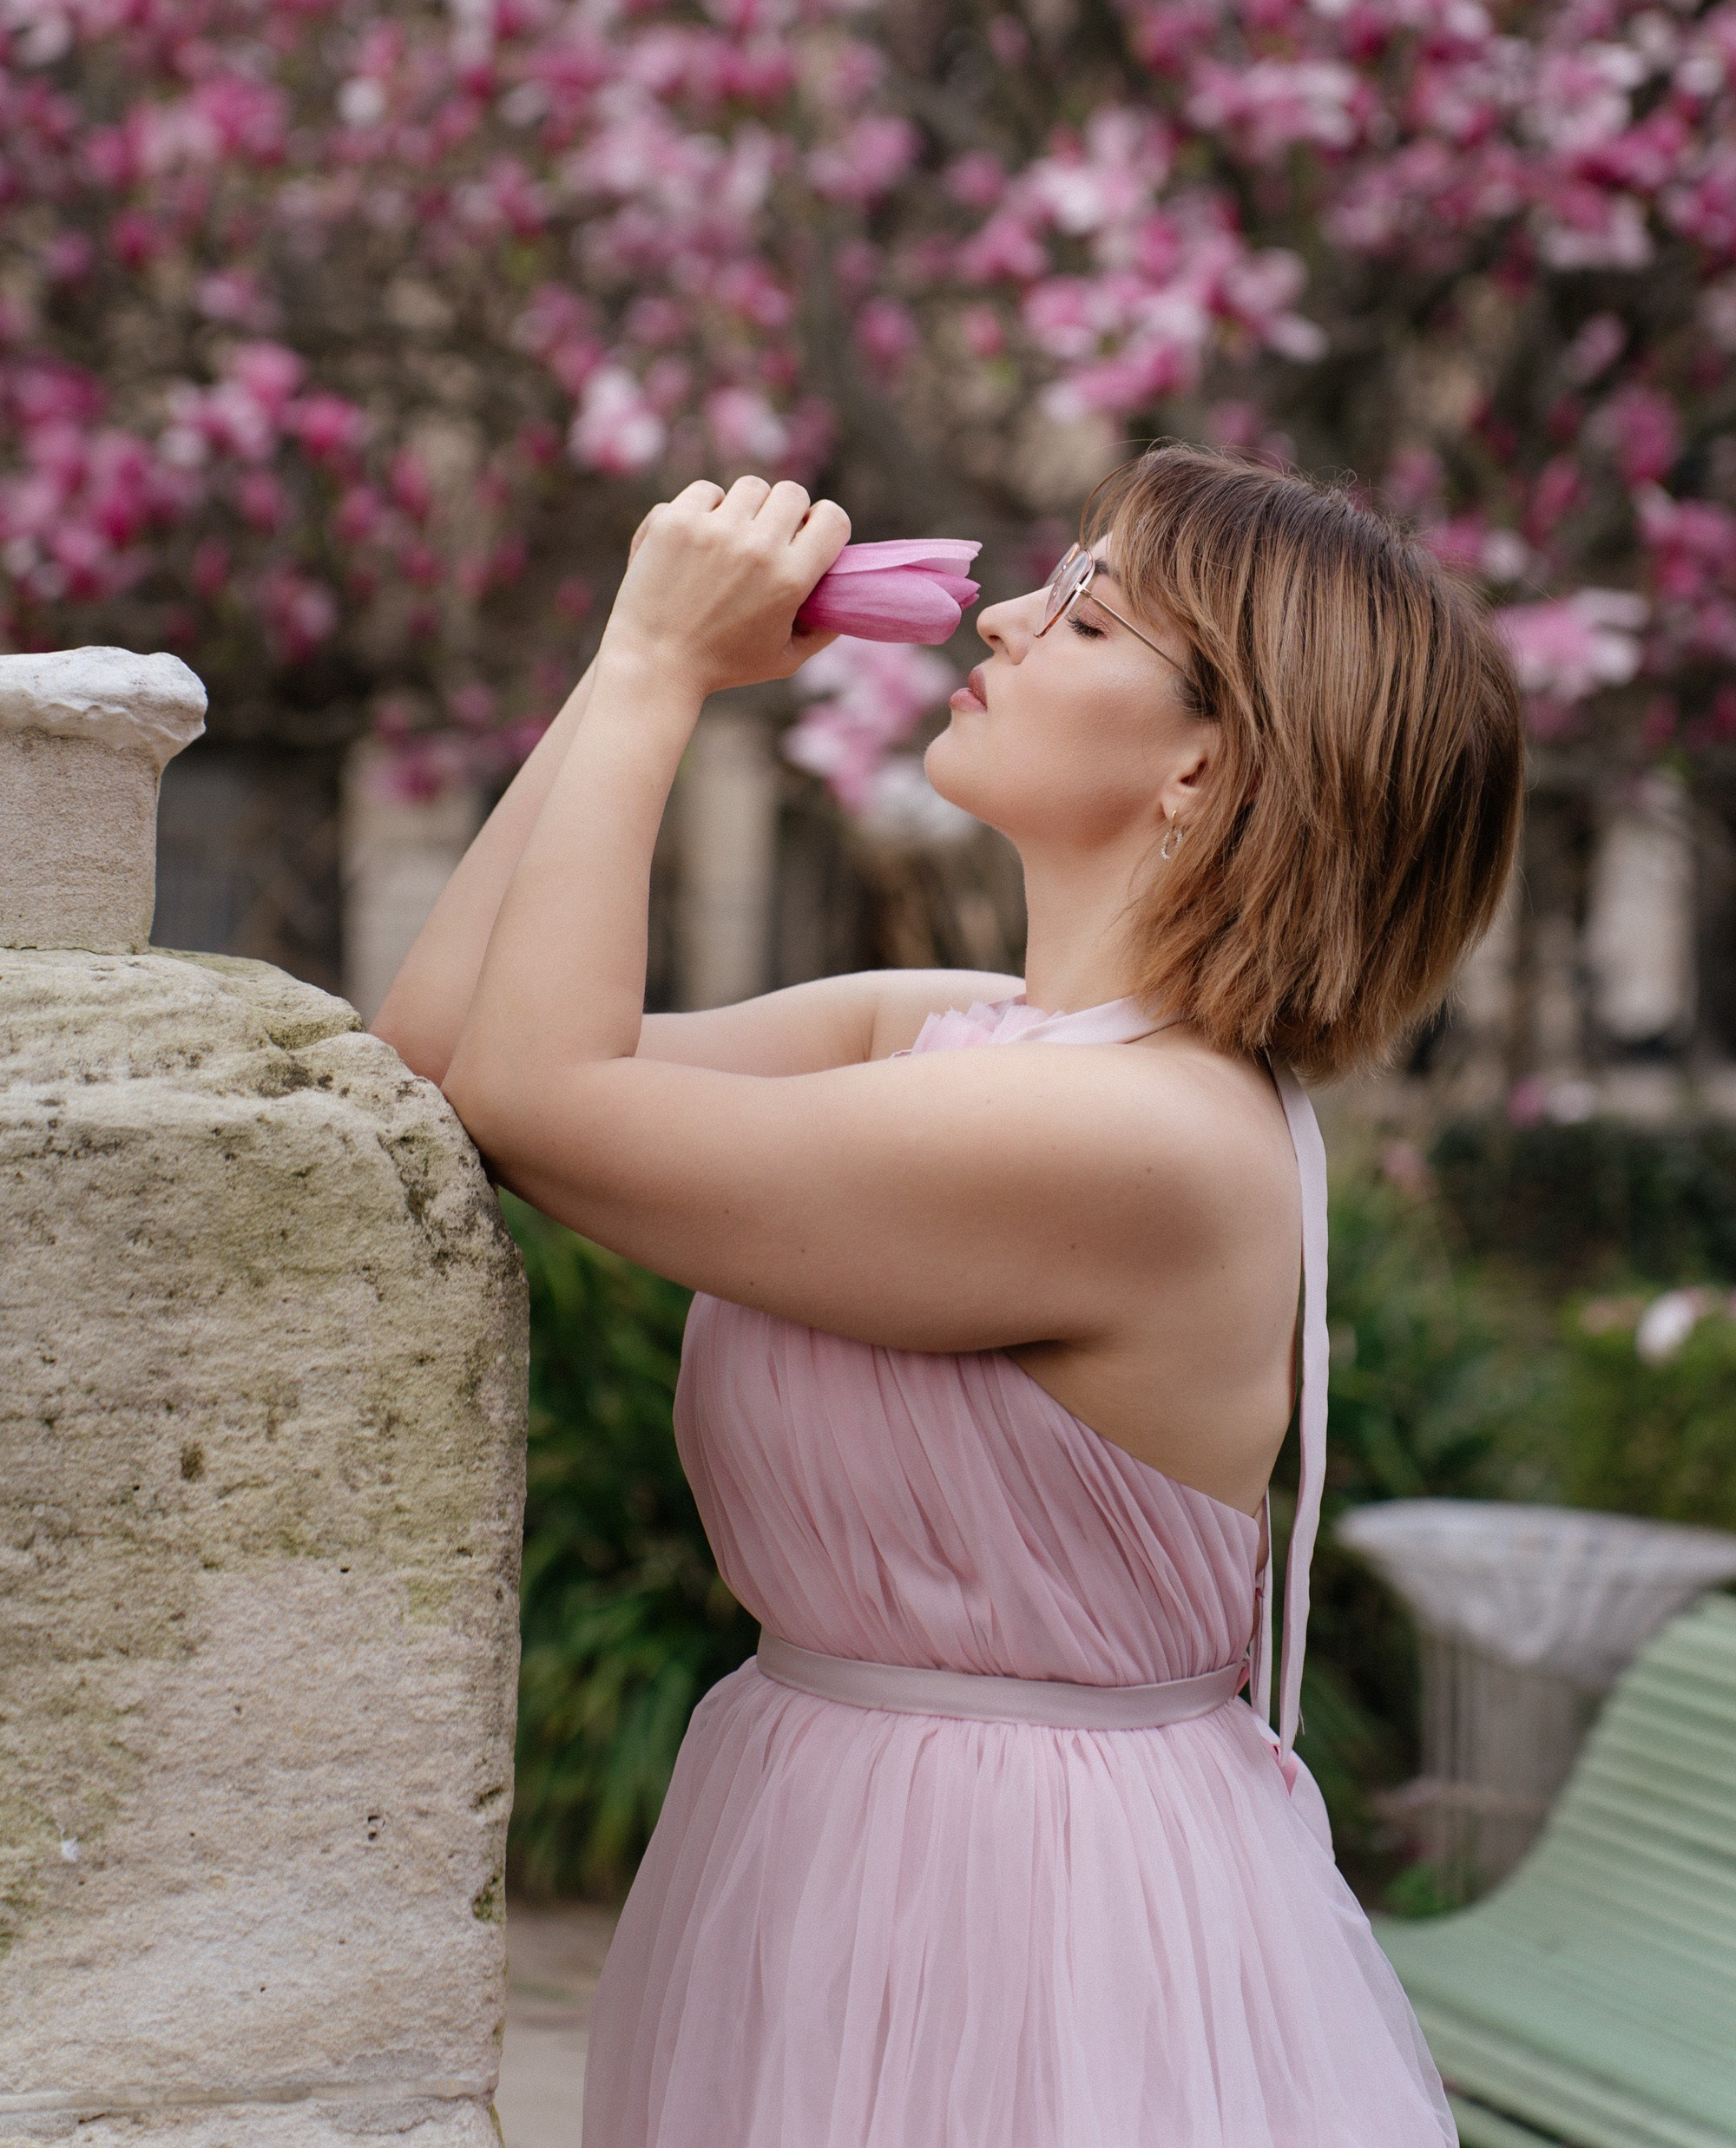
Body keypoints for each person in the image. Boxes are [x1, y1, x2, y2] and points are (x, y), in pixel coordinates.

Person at [374, 441, 1524, 2148]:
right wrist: (626, 669)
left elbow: (544, 1105)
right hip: (823, 1844)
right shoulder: (956, 1030)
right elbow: (442, 1058)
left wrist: (657, 663)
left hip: (1032, 1926)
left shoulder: (1139, 1141)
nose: (1000, 619)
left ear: (1205, 766)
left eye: (1088, 616)